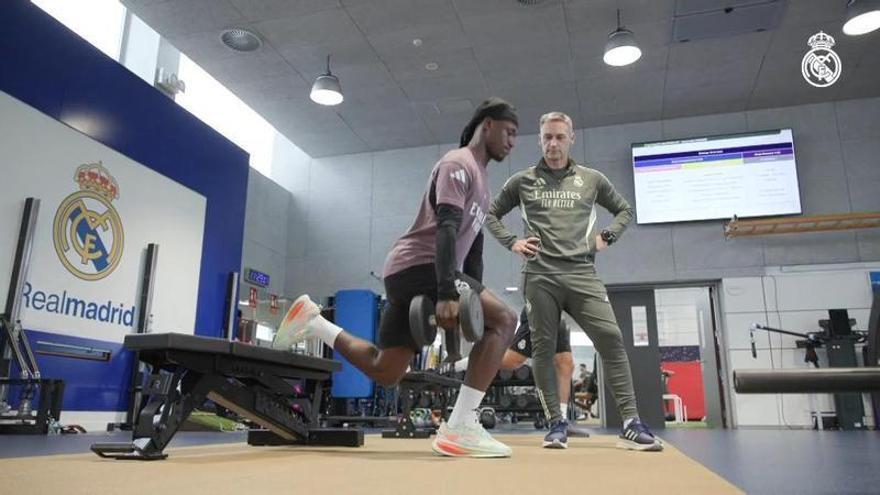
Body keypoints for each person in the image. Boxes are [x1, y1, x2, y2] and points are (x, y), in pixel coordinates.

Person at [273, 98, 520, 458]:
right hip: (420, 266)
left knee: (386, 370)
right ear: (487, 125)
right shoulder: (458, 164)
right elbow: (446, 229)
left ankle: (314, 322)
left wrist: (473, 312)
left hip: (417, 272)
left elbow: (475, 251)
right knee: (508, 319)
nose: (513, 141)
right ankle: (462, 426)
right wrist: (449, 290)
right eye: (509, 131)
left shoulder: (482, 181)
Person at [484, 111, 662, 451]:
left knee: (610, 336)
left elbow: (624, 210)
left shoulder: (591, 179)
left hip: (582, 273)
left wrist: (606, 237)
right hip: (540, 276)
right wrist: (513, 242)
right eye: (547, 137)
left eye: (559, 137)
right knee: (544, 351)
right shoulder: (522, 181)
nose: (553, 144)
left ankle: (630, 422)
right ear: (539, 140)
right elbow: (492, 214)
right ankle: (555, 423)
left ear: (571, 139)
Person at [456, 308, 590, 437]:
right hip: (540, 308)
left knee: (566, 365)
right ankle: (461, 364)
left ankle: (561, 421)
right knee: (512, 361)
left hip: (558, 315)